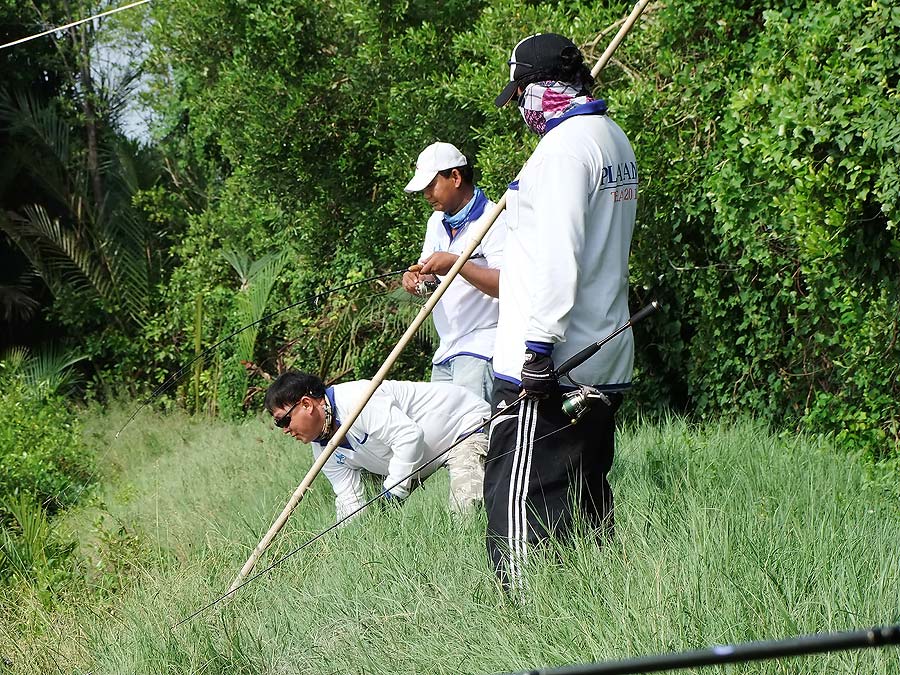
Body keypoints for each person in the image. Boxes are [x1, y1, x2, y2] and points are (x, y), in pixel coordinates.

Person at [485, 33, 638, 587]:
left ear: (541, 87)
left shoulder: (564, 150)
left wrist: (538, 349)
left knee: (519, 498)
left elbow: (557, 256)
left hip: (555, 362)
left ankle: (523, 617)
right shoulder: (613, 138)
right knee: (586, 493)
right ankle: (597, 602)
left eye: (521, 91)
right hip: (604, 351)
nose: (520, 106)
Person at [264, 370, 491, 522]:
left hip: (463, 428)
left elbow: (408, 437)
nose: (285, 430)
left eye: (284, 420)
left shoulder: (356, 400)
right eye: (279, 424)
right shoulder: (323, 449)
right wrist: (347, 540)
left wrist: (395, 493)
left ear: (306, 404)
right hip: (422, 456)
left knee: (465, 516)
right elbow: (350, 499)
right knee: (371, 516)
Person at [401, 141, 506, 403]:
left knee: (472, 438)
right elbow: (433, 281)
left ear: (455, 177)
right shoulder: (435, 221)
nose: (426, 194)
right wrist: (418, 281)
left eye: (430, 185)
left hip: (481, 349)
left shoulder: (495, 219)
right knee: (443, 437)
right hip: (446, 350)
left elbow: (507, 285)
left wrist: (456, 264)